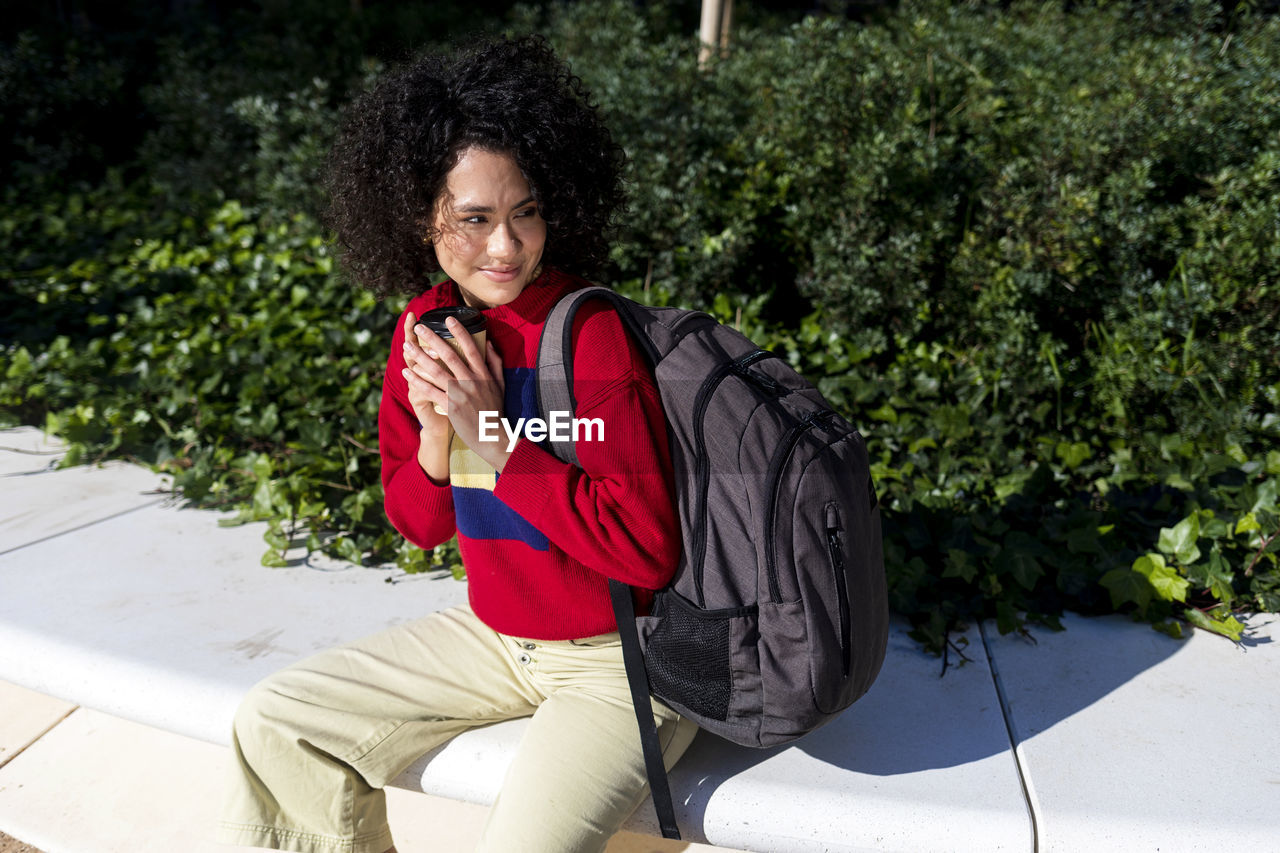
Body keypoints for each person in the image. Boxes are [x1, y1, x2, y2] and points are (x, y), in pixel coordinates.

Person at [216, 36, 698, 853]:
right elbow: (419, 523)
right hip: (497, 634)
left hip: (618, 664)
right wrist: (439, 431)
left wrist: (494, 438)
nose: (506, 247)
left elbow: (646, 549)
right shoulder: (426, 329)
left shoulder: (589, 336)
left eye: (526, 213)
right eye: (474, 220)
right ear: (420, 217)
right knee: (278, 723)